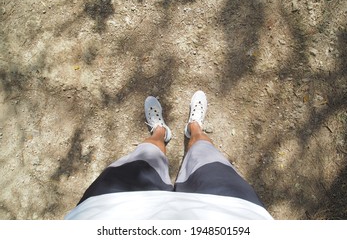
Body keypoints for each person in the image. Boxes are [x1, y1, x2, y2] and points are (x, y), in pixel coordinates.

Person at [65, 91, 273, 219]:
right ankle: (190, 129)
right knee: (205, 155)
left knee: (145, 157)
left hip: (110, 210)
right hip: (232, 212)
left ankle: (165, 132)